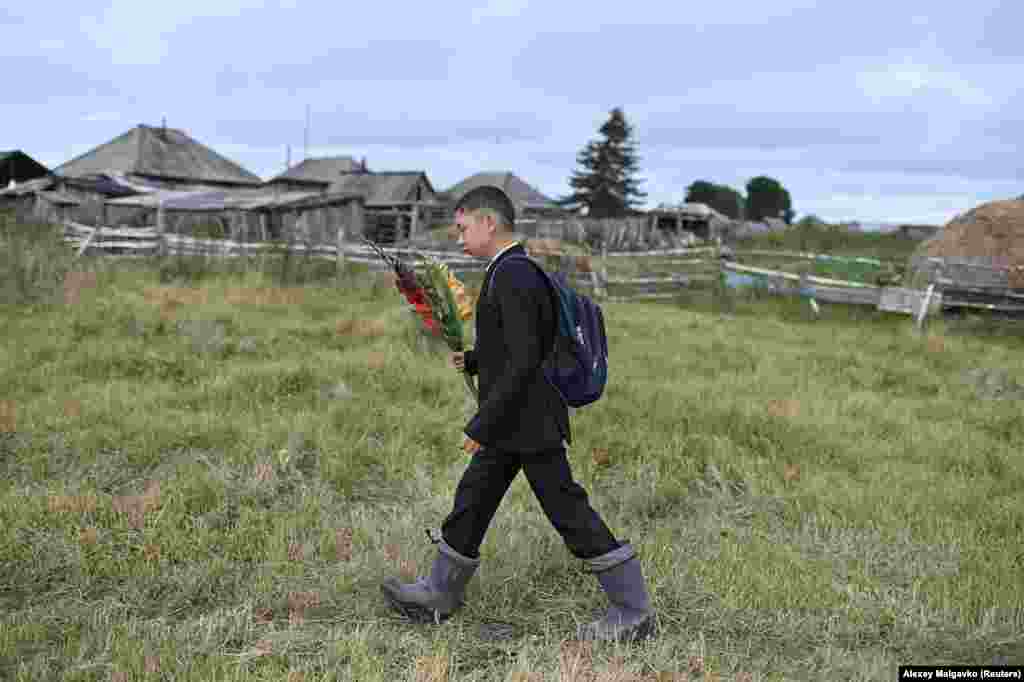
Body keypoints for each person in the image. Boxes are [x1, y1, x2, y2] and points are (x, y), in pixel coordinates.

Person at [381, 185, 656, 642]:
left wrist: (482, 424)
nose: (458, 237)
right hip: (516, 422)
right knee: (472, 499)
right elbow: (515, 347)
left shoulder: (514, 273)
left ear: (489, 223)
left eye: (463, 226)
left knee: (567, 510)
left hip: (528, 424)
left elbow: (526, 360)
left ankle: (633, 609)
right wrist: (474, 360)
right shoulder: (509, 270)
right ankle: (438, 595)